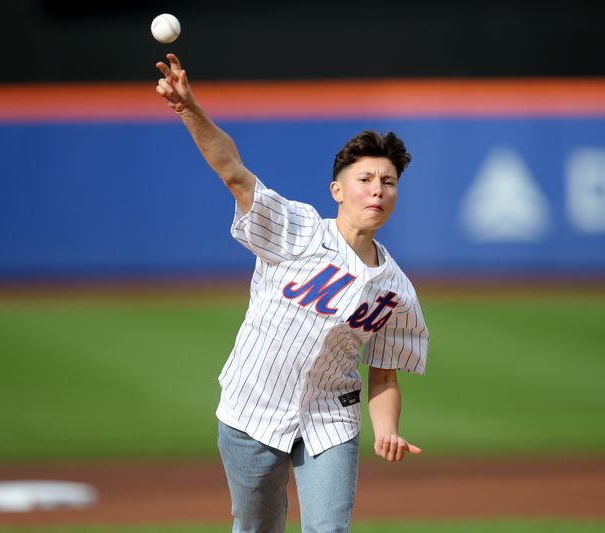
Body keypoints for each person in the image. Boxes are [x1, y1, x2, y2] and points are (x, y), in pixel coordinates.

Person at [155, 53, 429, 533]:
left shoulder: (397, 291)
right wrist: (189, 110)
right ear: (337, 191)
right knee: (257, 526)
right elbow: (234, 172)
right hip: (252, 408)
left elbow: (384, 376)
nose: (377, 191)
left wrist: (386, 430)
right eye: (364, 180)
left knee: (329, 529)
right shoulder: (298, 230)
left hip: (331, 418)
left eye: (388, 182)